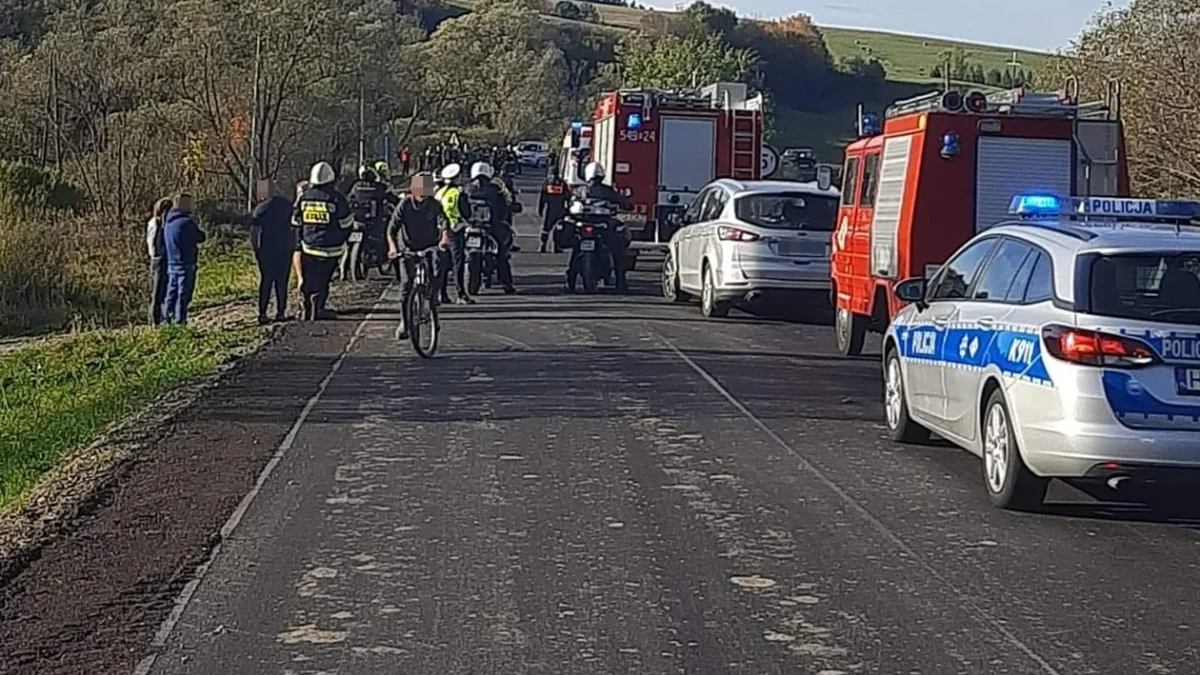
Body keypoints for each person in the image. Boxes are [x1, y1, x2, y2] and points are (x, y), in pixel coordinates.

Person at [387, 172, 450, 340]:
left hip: (429, 246)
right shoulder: (405, 204)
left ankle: (432, 300)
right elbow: (391, 230)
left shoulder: (434, 205)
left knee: (438, 269)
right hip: (407, 248)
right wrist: (393, 248)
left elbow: (444, 222)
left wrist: (444, 239)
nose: (422, 196)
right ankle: (404, 323)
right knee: (406, 285)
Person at [293, 161, 353, 321]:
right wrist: (342, 239)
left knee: (310, 276)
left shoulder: (304, 197)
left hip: (309, 246)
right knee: (323, 279)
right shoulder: (337, 199)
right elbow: (347, 223)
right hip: (331, 248)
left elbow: (295, 221)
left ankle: (305, 304)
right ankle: (318, 307)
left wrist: (303, 237)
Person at [569, 161, 632, 293]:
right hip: (600, 226)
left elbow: (569, 205)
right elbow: (624, 202)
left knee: (576, 252)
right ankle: (621, 282)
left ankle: (571, 281)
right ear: (601, 175)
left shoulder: (580, 191)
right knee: (616, 252)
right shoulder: (607, 191)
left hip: (586, 225)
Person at [466, 161, 516, 295]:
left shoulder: (467, 188)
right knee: (502, 255)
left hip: (471, 226)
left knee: (456, 254)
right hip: (492, 227)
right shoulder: (496, 189)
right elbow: (506, 204)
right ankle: (507, 283)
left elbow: (461, 205)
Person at [250, 179, 295, 325]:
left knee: (266, 281)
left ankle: (262, 313)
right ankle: (280, 312)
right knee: (282, 282)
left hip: (266, 251)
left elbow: (254, 232)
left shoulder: (259, 210)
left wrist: (257, 252)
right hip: (284, 248)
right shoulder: (285, 205)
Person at [344, 166, 400, 279]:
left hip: (357, 221)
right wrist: (399, 203)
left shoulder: (356, 187)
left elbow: (349, 199)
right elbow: (392, 199)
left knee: (348, 247)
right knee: (391, 237)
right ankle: (399, 273)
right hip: (376, 222)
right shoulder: (380, 187)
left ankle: (343, 272)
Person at [162, 193, 206, 325]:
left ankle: (167, 318)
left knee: (171, 292)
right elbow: (201, 237)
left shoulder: (168, 222)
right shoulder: (186, 223)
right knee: (183, 294)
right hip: (185, 263)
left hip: (172, 262)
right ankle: (180, 320)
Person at [434, 163, 473, 304]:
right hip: (455, 231)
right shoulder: (458, 193)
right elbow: (466, 212)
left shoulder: (438, 192)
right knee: (458, 263)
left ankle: (441, 294)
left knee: (442, 264)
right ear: (457, 178)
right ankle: (461, 295)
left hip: (439, 231)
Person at [146, 197, 172, 325]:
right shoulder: (155, 223)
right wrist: (158, 255)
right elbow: (152, 243)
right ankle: (154, 320)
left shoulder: (164, 223)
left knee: (164, 290)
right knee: (157, 292)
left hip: (164, 259)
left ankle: (162, 317)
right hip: (158, 260)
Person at [537, 166, 569, 253]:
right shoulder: (562, 184)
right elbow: (568, 196)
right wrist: (568, 209)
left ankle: (543, 246)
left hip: (550, 210)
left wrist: (540, 209)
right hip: (560, 209)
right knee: (559, 228)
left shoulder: (547, 183)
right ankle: (557, 246)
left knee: (546, 229)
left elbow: (542, 197)